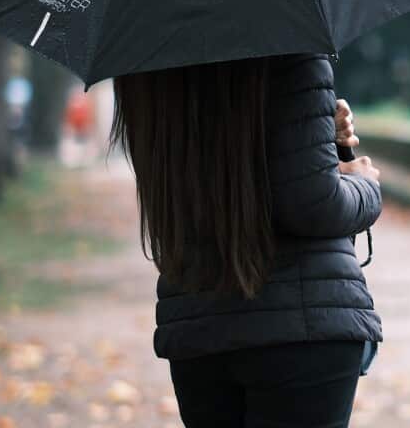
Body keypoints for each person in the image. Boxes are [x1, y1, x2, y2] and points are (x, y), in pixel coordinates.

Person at [111, 53, 383, 428]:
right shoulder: (288, 42)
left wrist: (320, 141)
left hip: (198, 326)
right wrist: (363, 182)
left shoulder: (147, 65)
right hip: (299, 327)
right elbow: (315, 206)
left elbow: (210, 181)